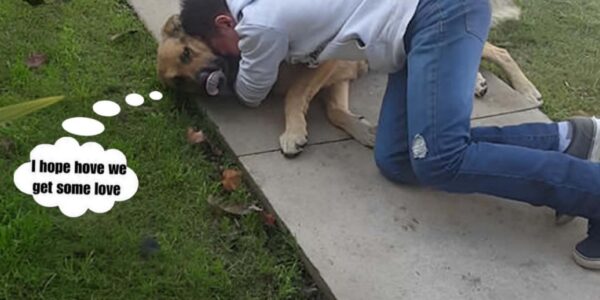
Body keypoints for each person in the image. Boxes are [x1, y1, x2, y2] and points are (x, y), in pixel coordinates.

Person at [180, 0, 600, 270]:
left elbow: (253, 92)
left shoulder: (257, 23)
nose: (228, 54)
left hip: (442, 14)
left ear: (223, 21)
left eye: (221, 46)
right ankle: (564, 139)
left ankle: (589, 191)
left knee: (439, 159)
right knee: (398, 157)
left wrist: (225, 76)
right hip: (411, 32)